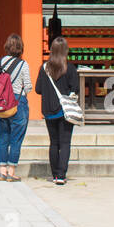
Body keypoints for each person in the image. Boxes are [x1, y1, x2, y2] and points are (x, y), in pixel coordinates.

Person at [35, 36, 81, 185]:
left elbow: (38, 89)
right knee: (65, 143)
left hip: (49, 111)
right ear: (65, 50)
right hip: (65, 111)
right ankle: (61, 175)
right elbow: (75, 89)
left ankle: (54, 174)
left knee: (54, 143)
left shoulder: (44, 68)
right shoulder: (70, 68)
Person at [0, 33, 30, 181]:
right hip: (18, 102)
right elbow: (28, 87)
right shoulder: (23, 65)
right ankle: (11, 170)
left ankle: (2, 169)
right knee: (16, 137)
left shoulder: (1, 62)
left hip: (2, 102)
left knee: (3, 136)